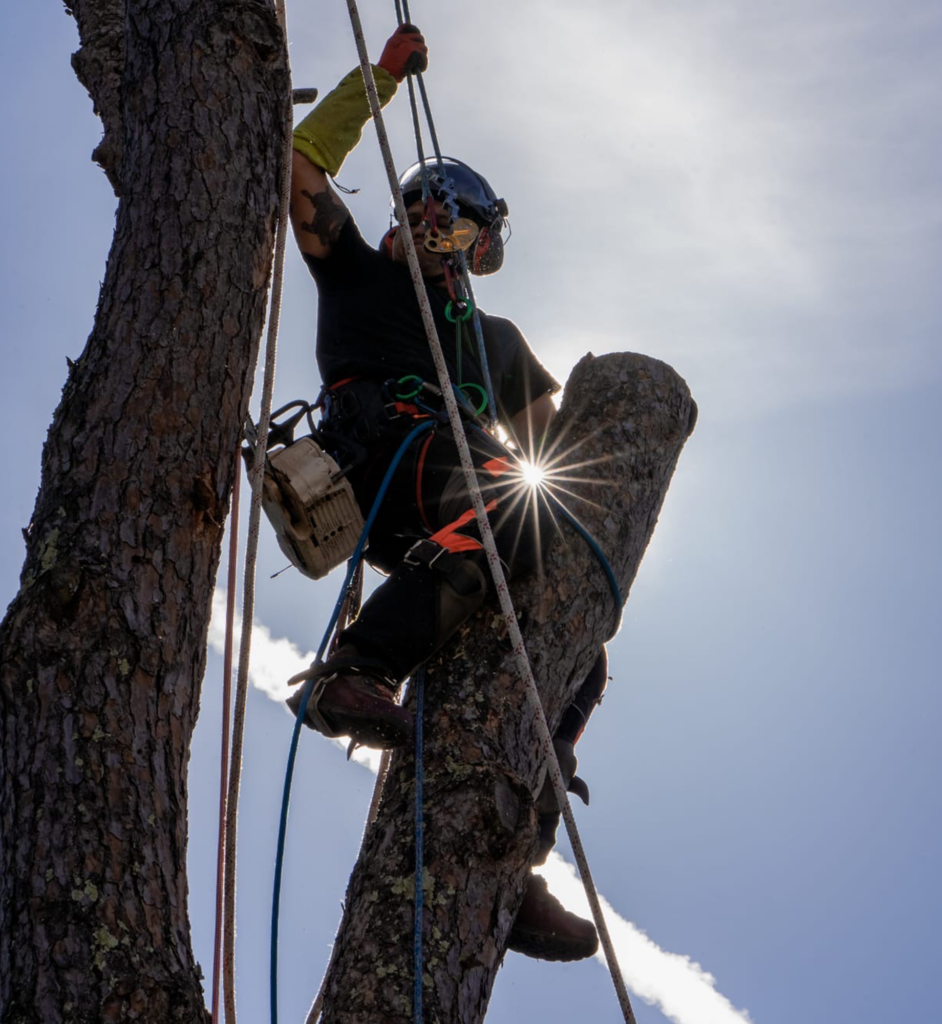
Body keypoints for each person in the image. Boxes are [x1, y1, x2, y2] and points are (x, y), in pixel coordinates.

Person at [286, 24, 607, 962]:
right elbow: (297, 165)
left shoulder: (493, 341)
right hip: (382, 451)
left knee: (582, 652)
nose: (433, 232)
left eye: (456, 227)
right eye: (423, 211)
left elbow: (556, 451)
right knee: (513, 505)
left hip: (456, 499)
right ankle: (354, 674)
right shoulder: (356, 271)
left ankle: (512, 860)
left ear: (474, 244)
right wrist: (380, 80)